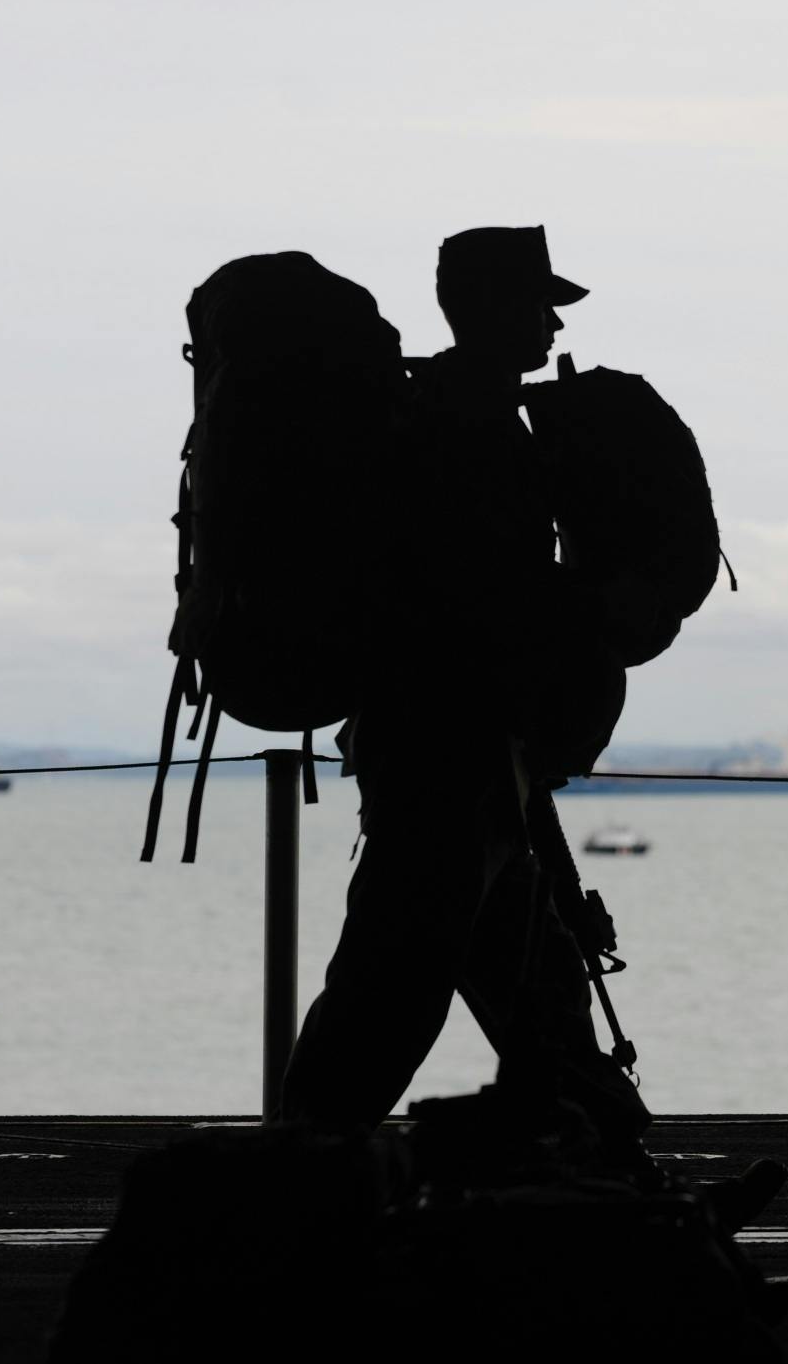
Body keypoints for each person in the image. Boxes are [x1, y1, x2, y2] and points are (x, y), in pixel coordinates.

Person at [279, 227, 650, 1163]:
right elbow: (484, 601)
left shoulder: (469, 417)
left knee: (543, 994)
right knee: (392, 996)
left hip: (477, 766)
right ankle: (294, 1184)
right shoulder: (462, 429)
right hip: (446, 761)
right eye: (539, 299)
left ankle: (625, 1183)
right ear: (488, 307)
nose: (553, 318)